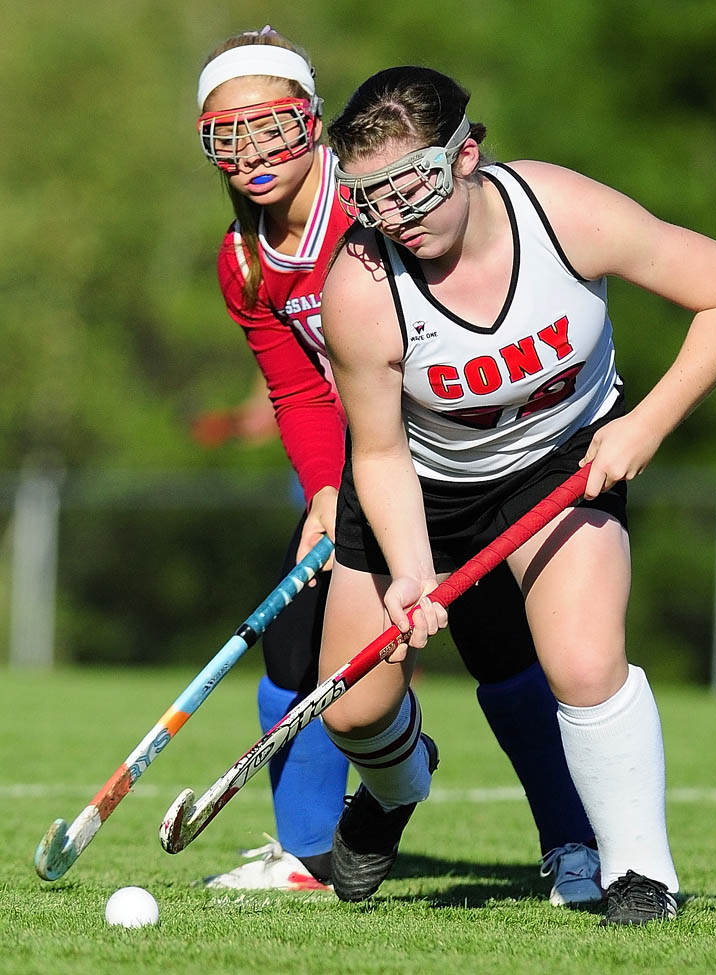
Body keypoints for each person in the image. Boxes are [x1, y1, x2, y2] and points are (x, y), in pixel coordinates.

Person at [318, 66, 716, 923]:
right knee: (354, 711)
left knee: (585, 661)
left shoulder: (563, 214)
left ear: (467, 156)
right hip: (421, 486)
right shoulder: (361, 286)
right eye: (372, 198)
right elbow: (377, 453)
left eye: (414, 183)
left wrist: (645, 425)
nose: (398, 215)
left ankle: (641, 874)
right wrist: (414, 573)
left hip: (557, 468)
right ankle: (398, 779)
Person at [194, 29, 605, 904]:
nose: (252, 155)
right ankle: (313, 852)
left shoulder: (378, 208)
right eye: (225, 137)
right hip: (364, 466)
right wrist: (325, 492)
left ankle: (573, 844)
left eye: (271, 128)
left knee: (502, 651)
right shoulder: (244, 261)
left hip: (459, 462)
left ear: (311, 122)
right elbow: (300, 393)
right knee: (298, 645)